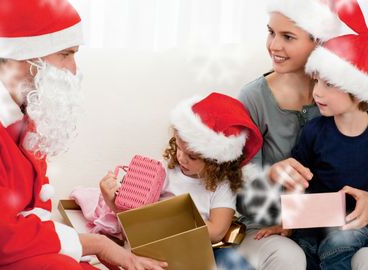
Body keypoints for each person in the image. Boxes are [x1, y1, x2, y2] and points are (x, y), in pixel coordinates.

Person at [0, 0, 167, 270]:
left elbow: (27, 213)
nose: (74, 69)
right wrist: (96, 244)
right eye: (66, 54)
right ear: (22, 56)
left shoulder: (26, 95)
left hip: (13, 248)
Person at [236, 0, 368, 269]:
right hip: (277, 228)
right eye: (271, 32)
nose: (274, 45)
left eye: (288, 37)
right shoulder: (253, 98)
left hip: (344, 229)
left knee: (365, 259)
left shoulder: (354, 93)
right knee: (292, 258)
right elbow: (241, 197)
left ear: (318, 41)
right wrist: (271, 176)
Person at [259, 32, 368, 269]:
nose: (317, 92)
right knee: (303, 251)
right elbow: (297, 178)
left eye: (329, 84)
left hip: (358, 224)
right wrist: (288, 222)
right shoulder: (314, 130)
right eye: (317, 81)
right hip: (314, 221)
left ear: (359, 91)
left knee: (338, 243)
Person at [99, 92, 262, 269]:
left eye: (192, 157)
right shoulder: (163, 170)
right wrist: (113, 203)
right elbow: (133, 221)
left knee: (233, 261)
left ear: (216, 162)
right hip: (158, 246)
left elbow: (217, 231)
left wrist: (172, 222)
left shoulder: (222, 184)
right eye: (178, 146)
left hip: (198, 249)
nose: (181, 158)